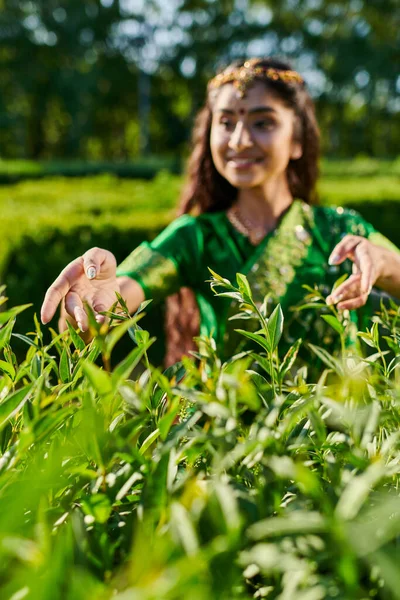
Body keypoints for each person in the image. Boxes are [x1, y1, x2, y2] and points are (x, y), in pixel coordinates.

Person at [40, 57, 400, 366]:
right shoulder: (196, 237)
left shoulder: (340, 231)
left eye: (262, 123)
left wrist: (384, 265)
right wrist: (89, 305)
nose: (240, 140)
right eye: (226, 122)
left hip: (340, 440)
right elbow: (114, 300)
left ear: (296, 142)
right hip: (230, 440)